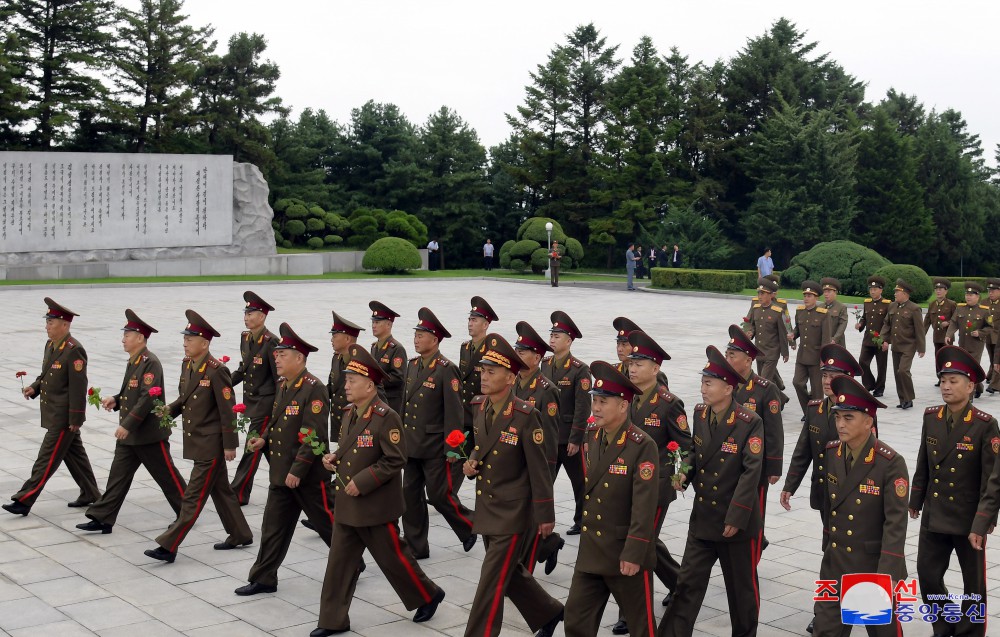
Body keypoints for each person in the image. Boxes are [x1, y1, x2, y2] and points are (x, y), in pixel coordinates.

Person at [313, 344, 445, 636]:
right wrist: (334, 457)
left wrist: (363, 481)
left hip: (374, 505)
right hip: (349, 504)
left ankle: (428, 594)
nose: (345, 385)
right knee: (338, 565)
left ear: (370, 385)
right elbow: (350, 448)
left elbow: (396, 459)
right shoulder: (350, 413)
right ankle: (332, 621)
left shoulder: (387, 418)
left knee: (393, 560)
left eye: (352, 381)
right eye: (346, 380)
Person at [462, 334, 565, 637]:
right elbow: (482, 448)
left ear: (510, 376)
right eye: (482, 370)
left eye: (491, 371)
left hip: (513, 513)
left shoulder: (525, 415)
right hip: (488, 509)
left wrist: (545, 516)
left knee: (491, 580)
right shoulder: (480, 406)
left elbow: (540, 469)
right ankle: (549, 612)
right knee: (511, 574)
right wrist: (470, 464)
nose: (484, 376)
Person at [658, 346, 763, 637]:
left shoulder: (749, 422)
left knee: (741, 594)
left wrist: (737, 515)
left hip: (735, 525)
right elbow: (694, 450)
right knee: (686, 587)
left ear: (728, 388)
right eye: (702, 382)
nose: (702, 389)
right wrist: (683, 473)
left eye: (708, 383)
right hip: (704, 519)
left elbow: (751, 472)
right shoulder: (700, 413)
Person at [235, 323, 337, 596]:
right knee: (272, 528)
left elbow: (313, 433)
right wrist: (264, 438)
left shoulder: (313, 388)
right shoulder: (283, 384)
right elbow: (278, 421)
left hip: (306, 477)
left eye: (283, 355)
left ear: (300, 359)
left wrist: (298, 470)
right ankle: (264, 578)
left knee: (329, 525)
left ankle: (353, 562)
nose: (276, 359)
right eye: (277, 354)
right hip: (282, 474)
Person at [144, 310, 252, 563]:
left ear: (204, 343)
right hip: (198, 441)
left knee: (192, 497)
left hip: (211, 444)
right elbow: (185, 398)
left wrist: (229, 446)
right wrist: (168, 410)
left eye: (190, 339)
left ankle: (168, 545)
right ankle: (240, 533)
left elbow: (228, 411)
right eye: (185, 339)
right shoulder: (188, 365)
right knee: (222, 491)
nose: (185, 343)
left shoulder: (217, 371)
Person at [564, 361, 659, 637]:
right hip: (592, 549)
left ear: (623, 405)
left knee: (642, 627)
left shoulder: (642, 446)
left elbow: (644, 506)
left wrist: (634, 552)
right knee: (576, 621)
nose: (595, 408)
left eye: (604, 402)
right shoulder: (592, 435)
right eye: (595, 400)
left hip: (624, 554)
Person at [909, 345, 998, 637]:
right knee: (928, 576)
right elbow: (924, 459)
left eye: (953, 381)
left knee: (974, 585)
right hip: (935, 513)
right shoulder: (931, 416)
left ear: (971, 386)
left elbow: (992, 480)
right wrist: (916, 499)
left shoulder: (985, 425)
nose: (946, 387)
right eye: (943, 380)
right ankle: (944, 625)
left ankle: (970, 632)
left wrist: (983, 522)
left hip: (968, 518)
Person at [811, 375, 908, 637]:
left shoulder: (889, 463)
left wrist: (887, 576)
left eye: (848, 418)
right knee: (825, 629)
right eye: (838, 417)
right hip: (835, 563)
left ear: (869, 421)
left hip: (871, 567)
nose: (840, 425)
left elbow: (895, 524)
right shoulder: (833, 452)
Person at [75, 310, 185, 534]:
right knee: (117, 477)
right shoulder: (134, 362)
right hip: (131, 436)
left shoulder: (150, 362)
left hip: (148, 435)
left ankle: (188, 513)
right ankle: (102, 517)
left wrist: (127, 424)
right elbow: (130, 392)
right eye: (124, 334)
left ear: (141, 338)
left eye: (128, 334)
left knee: (168, 478)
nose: (123, 338)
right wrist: (115, 399)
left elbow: (148, 397)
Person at [780, 343, 862, 634]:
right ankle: (830, 612)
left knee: (843, 554)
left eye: (833, 375)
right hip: (825, 496)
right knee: (830, 552)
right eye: (824, 375)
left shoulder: (859, 413)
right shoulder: (815, 408)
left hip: (851, 500)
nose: (827, 381)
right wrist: (790, 485)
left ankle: (836, 612)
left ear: (848, 379)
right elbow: (803, 450)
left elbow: (868, 460)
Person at [613, 330, 690, 633]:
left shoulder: (669, 404)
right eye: (631, 362)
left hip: (656, 488)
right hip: (624, 484)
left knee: (637, 545)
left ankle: (628, 613)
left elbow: (684, 445)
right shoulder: (623, 397)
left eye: (640, 363)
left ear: (655, 369)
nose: (632, 368)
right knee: (645, 543)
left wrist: (680, 474)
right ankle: (680, 583)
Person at [4, 298, 100, 516]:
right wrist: (34, 387)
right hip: (54, 412)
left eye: (51, 322)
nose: (47, 326)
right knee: (75, 456)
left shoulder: (74, 350)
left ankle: (24, 499)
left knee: (46, 459)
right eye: (47, 322)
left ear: (65, 325)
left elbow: (78, 387)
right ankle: (91, 494)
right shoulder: (50, 345)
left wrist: (76, 419)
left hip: (64, 417)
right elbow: (46, 374)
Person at [401, 307, 476, 559]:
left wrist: (454, 449)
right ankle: (416, 546)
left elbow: (454, 412)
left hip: (434, 446)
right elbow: (404, 406)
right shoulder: (411, 366)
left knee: (439, 495)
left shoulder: (446, 369)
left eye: (421, 335)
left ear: (434, 340)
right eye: (416, 334)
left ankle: (469, 526)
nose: (416, 339)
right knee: (410, 498)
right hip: (412, 445)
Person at [726, 325, 784, 557]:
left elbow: (774, 431)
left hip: (755, 465)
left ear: (748, 360)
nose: (727, 359)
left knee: (755, 511)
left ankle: (755, 549)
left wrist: (774, 466)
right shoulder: (724, 385)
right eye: (727, 354)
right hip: (728, 462)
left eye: (732, 355)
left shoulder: (764, 389)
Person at [513, 320, 565, 575]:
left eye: (523, 352)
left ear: (537, 357)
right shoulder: (512, 383)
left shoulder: (547, 391)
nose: (517, 356)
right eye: (517, 350)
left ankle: (525, 571)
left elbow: (551, 436)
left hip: (537, 465)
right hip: (515, 464)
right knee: (521, 518)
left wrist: (547, 471)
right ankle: (550, 545)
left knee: (533, 520)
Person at [541, 311, 592, 535]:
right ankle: (541, 517)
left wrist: (576, 438)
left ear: (569, 341)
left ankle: (583, 520)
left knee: (580, 482)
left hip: (568, 438)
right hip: (548, 437)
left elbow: (583, 407)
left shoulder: (580, 369)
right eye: (551, 335)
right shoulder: (545, 364)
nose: (552, 339)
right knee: (544, 481)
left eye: (557, 336)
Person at [230, 291, 279, 506]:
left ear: (262, 316)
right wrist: (223, 382)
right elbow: (243, 370)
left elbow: (279, 378)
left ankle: (238, 491)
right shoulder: (246, 338)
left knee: (252, 446)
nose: (247, 317)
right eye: (246, 312)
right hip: (253, 402)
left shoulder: (271, 342)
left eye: (252, 313)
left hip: (266, 404)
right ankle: (292, 481)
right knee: (268, 450)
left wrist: (278, 406)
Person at [460, 296, 498, 448]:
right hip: (464, 414)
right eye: (469, 319)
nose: (470, 324)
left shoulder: (492, 350)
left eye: (474, 320)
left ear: (486, 325)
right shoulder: (465, 347)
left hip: (482, 415)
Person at [883, 278, 926, 410]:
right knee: (897, 373)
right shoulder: (892, 306)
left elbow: (920, 330)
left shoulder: (914, 308)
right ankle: (903, 399)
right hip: (896, 345)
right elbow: (887, 324)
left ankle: (909, 398)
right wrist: (884, 339)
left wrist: (921, 348)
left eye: (897, 292)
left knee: (903, 370)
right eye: (895, 292)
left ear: (905, 294)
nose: (895, 294)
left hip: (908, 345)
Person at [792, 280, 832, 418]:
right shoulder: (800, 312)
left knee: (817, 390)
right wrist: (792, 334)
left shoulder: (823, 314)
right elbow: (798, 329)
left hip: (816, 358)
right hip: (802, 355)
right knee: (797, 382)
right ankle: (808, 411)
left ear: (816, 298)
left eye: (809, 296)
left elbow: (826, 339)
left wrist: (824, 358)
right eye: (805, 295)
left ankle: (817, 416)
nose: (806, 298)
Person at [744, 277, 790, 389]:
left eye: (763, 294)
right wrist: (750, 332)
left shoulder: (778, 312)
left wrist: (785, 352)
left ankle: (762, 405)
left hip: (772, 352)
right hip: (759, 351)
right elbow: (752, 325)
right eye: (759, 293)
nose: (760, 296)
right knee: (763, 380)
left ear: (771, 295)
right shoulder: (756, 309)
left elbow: (783, 333)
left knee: (762, 382)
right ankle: (779, 397)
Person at [946, 281, 989, 399]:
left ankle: (968, 397)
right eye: (967, 295)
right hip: (963, 344)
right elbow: (954, 322)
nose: (968, 297)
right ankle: (978, 386)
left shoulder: (984, 311)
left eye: (971, 295)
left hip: (976, 345)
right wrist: (949, 334)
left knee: (971, 368)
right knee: (965, 368)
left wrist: (980, 332)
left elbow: (990, 327)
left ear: (977, 296)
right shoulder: (960, 309)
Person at [369, 300, 407, 412]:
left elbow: (398, 378)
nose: (373, 326)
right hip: (376, 401)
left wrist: (374, 381)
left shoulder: (396, 348)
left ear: (389, 324)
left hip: (391, 403)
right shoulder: (374, 347)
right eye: (373, 322)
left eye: (377, 322)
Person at [328, 312, 365, 424]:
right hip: (337, 420)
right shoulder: (336, 358)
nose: (331, 340)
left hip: (354, 421)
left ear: (348, 338)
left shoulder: (362, 362)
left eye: (334, 336)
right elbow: (331, 388)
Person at [856, 276, 891, 398]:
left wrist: (886, 341)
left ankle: (880, 388)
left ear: (881, 290)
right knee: (862, 362)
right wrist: (860, 324)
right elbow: (865, 318)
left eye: (875, 289)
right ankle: (869, 384)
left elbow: (890, 324)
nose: (872, 291)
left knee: (881, 365)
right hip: (868, 339)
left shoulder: (887, 304)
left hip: (881, 340)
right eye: (871, 289)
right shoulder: (867, 303)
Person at [925, 278, 958, 373]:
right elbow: (927, 321)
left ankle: (947, 375)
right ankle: (940, 376)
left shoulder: (951, 304)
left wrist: (948, 323)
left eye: (941, 289)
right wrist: (921, 335)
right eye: (936, 289)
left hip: (947, 336)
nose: (938, 291)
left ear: (946, 291)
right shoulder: (932, 304)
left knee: (948, 357)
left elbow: (956, 320)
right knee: (938, 356)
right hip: (937, 336)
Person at [821, 277, 849, 347]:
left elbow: (842, 325)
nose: (826, 294)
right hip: (821, 342)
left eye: (829, 292)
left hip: (836, 344)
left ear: (835, 292)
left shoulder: (841, 307)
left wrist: (835, 339)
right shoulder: (819, 307)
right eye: (825, 291)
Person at [984, 278, 1000, 394]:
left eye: (993, 291)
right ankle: (990, 376)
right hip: (988, 336)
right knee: (992, 358)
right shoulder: (984, 303)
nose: (991, 293)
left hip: (999, 336)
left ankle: (994, 385)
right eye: (989, 290)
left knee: (997, 359)